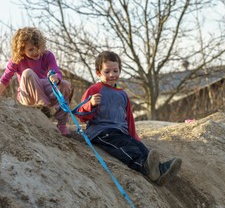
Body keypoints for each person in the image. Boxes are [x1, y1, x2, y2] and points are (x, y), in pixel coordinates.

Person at [76, 51, 181, 186]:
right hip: (102, 132)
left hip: (121, 132)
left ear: (120, 70)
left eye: (115, 70)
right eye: (107, 71)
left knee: (141, 148)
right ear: (98, 73)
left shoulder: (123, 94)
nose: (112, 75)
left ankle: (160, 172)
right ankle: (145, 167)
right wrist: (90, 104)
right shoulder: (94, 89)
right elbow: (81, 115)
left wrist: (135, 138)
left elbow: (129, 119)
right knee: (126, 148)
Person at [0, 27, 72, 136]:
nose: (36, 52)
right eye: (31, 49)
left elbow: (56, 71)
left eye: (38, 47)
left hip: (44, 90)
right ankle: (42, 107)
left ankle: (62, 124)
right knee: (28, 73)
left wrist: (56, 78)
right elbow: (5, 79)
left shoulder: (47, 55)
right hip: (28, 95)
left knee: (65, 85)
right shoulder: (17, 60)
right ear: (22, 50)